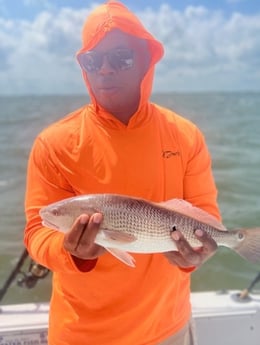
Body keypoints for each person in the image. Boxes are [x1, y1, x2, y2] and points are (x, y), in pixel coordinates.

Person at [24, 1, 221, 344]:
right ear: (83, 66)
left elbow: (205, 215)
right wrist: (71, 252)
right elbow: (36, 232)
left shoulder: (185, 135)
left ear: (146, 60)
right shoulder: (53, 143)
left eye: (121, 58)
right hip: (84, 334)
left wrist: (198, 253)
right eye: (92, 60)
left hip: (169, 325)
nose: (105, 70)